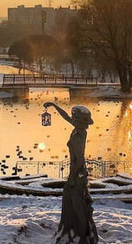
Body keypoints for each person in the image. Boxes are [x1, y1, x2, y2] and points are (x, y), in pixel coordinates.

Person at [43, 102, 98, 244]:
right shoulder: (77, 129)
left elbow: (79, 159)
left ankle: (79, 231)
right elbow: (66, 117)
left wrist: (73, 177)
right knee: (72, 199)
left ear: (79, 121)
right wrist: (54, 105)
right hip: (77, 171)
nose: (71, 119)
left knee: (75, 200)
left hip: (77, 172)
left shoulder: (79, 136)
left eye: (75, 118)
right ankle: (75, 228)